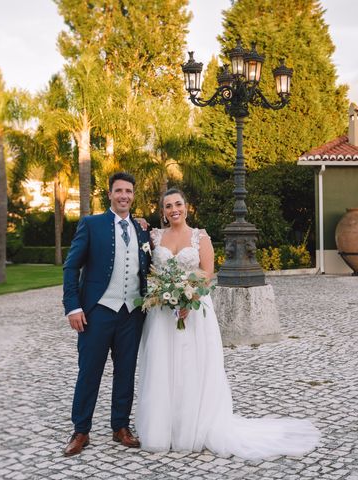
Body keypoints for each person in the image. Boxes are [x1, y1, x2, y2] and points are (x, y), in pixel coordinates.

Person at [136, 188, 320, 459]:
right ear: (162, 211)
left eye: (178, 204)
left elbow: (207, 273)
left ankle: (193, 427)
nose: (174, 209)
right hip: (162, 315)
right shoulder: (154, 236)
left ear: (187, 207)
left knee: (191, 366)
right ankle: (163, 429)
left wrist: (189, 301)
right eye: (168, 206)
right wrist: (138, 220)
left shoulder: (201, 237)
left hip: (193, 311)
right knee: (161, 366)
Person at [62, 172, 151, 456]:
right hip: (97, 313)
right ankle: (81, 430)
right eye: (119, 191)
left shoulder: (142, 229)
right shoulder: (91, 224)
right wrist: (73, 306)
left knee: (125, 372)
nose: (124, 195)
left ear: (133, 195)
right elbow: (70, 267)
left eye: (128, 191)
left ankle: (120, 426)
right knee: (89, 372)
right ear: (109, 194)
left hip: (131, 313)